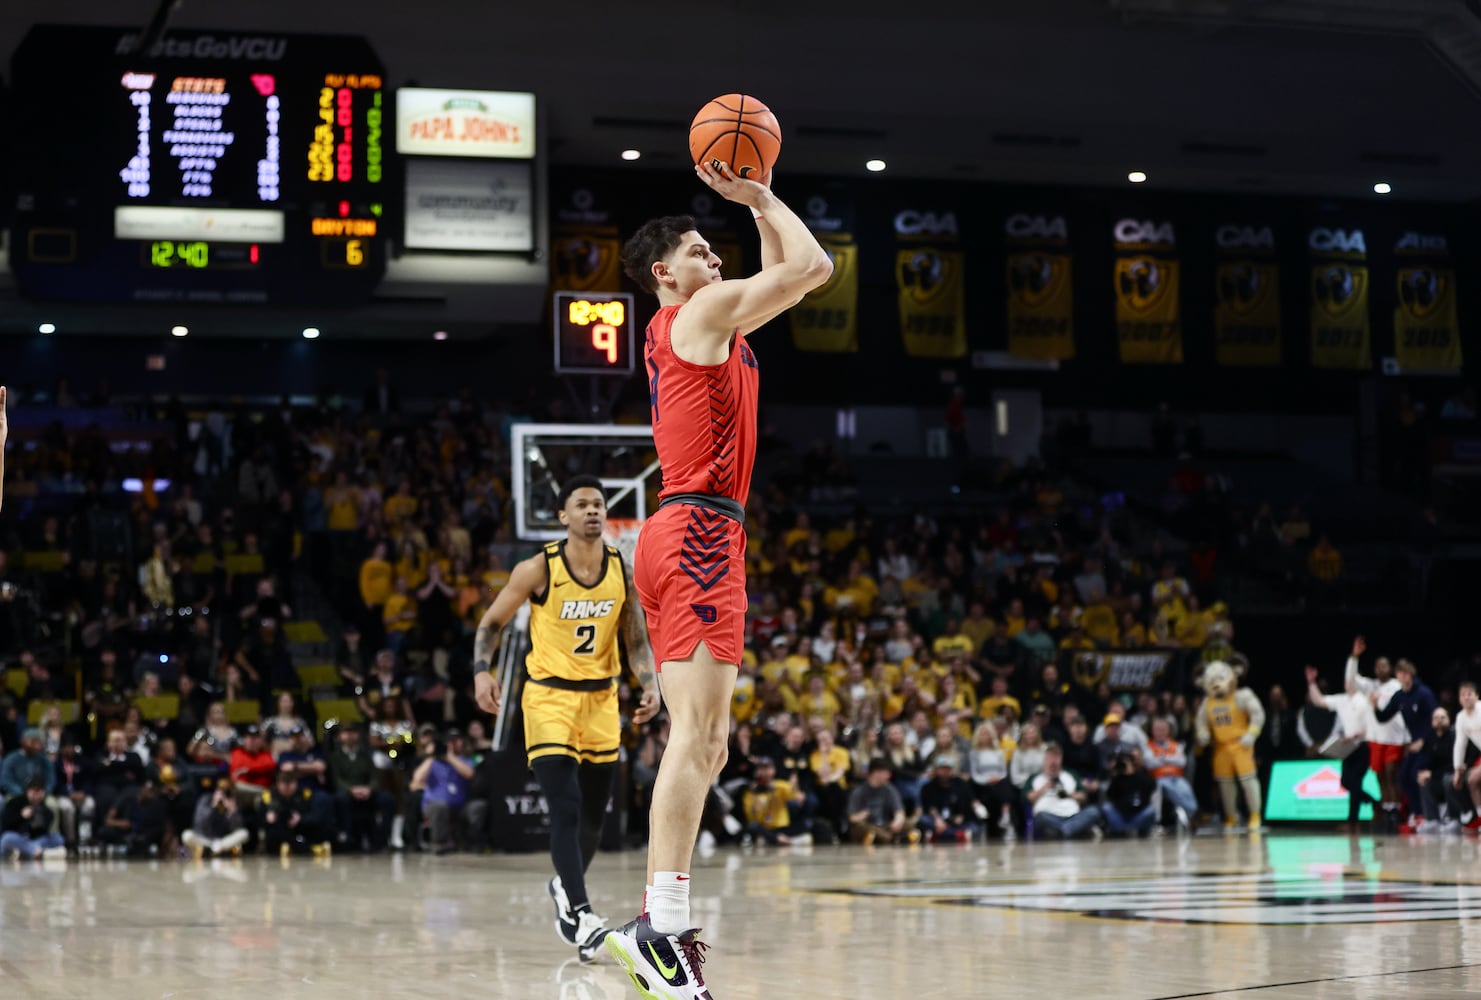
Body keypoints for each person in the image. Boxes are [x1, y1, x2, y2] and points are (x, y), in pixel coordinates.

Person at [603, 160, 834, 997]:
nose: (716, 259)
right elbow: (812, 269)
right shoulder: (695, 312)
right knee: (697, 739)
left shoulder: (700, 327)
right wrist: (762, 195)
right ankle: (658, 931)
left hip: (682, 531)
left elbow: (786, 279)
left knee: (706, 740)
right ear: (666, 273)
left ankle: (657, 927)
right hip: (699, 531)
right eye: (703, 250)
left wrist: (757, 207)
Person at [472, 475, 660, 962]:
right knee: (567, 806)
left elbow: (636, 638)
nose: (594, 511)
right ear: (563, 516)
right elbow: (490, 623)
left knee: (596, 816)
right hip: (548, 700)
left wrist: (650, 683)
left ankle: (563, 888)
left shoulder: (623, 567)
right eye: (583, 504)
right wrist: (480, 673)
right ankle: (582, 912)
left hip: (602, 701)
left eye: (598, 504)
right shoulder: (538, 568)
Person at [1026, 743, 1103, 840]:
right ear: (1045, 760)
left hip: (1072, 815)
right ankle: (1073, 830)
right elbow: (1028, 797)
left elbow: (1083, 796)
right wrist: (1044, 788)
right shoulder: (1035, 777)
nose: (1053, 761)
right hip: (1048, 816)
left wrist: (1068, 794)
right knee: (1040, 817)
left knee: (1094, 811)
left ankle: (1063, 831)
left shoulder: (1071, 774)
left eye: (1056, 757)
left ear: (1061, 759)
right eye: (1050, 757)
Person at [847, 758, 912, 845]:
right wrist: (860, 816)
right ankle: (891, 838)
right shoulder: (859, 791)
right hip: (868, 825)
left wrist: (898, 820)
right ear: (875, 773)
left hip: (885, 825)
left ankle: (882, 838)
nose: (889, 776)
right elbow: (851, 818)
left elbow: (899, 811)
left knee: (908, 823)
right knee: (860, 827)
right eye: (886, 773)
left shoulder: (889, 789)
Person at [182, 778, 250, 859]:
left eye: (226, 790)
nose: (222, 793)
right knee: (187, 835)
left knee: (244, 833)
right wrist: (212, 807)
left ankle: (212, 850)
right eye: (220, 789)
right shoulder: (205, 799)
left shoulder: (232, 802)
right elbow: (199, 823)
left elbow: (237, 828)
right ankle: (216, 850)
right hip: (206, 839)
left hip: (223, 841)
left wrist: (232, 813)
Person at [1, 776, 65, 861]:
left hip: (35, 841)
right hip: (18, 837)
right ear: (27, 791)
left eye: (39, 792)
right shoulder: (14, 803)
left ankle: (25, 852)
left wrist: (37, 820)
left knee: (58, 838)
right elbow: (6, 825)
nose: (36, 796)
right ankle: (35, 851)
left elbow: (44, 832)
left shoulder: (46, 810)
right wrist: (21, 816)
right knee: (7, 838)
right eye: (34, 792)